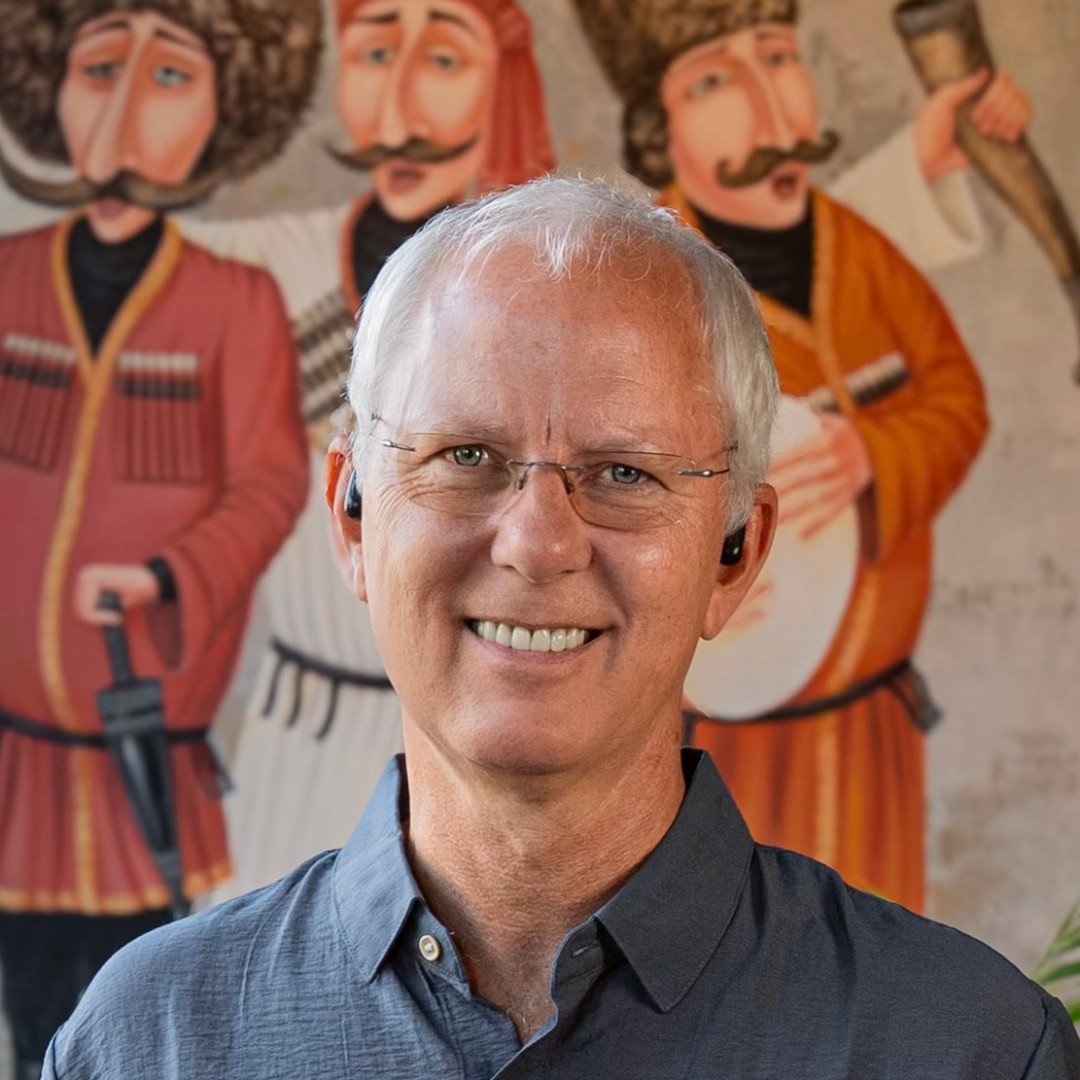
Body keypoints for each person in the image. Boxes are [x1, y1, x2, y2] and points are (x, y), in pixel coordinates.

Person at [42, 178, 1080, 1078]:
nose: (537, 543)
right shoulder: (147, 1042)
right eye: (465, 457)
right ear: (351, 517)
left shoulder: (970, 1050)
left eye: (623, 472)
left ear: (735, 554)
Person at [570, 0, 1029, 912]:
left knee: (875, 967)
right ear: (661, 126)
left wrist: (875, 452)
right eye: (715, 81)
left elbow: (954, 397)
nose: (769, 110)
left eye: (778, 58)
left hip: (868, 734)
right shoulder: (639, 283)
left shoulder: (859, 250)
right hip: (708, 745)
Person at [179, 0, 556, 900]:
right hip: (301, 734)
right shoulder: (264, 268)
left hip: (494, 737)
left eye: (444, 59)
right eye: (375, 52)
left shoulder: (570, 275)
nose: (400, 102)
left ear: (500, 77)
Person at [0, 2, 317, 1073]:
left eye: (170, 75)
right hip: (11, 760)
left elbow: (271, 484)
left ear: (231, 109)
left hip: (140, 749)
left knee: (140, 1018)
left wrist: (165, 574)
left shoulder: (236, 302)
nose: (127, 107)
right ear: (50, 86)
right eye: (100, 67)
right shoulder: (7, 276)